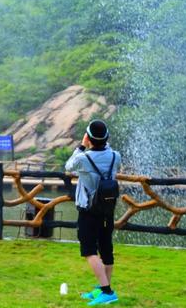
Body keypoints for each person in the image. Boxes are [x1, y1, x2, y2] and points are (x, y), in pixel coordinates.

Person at [65, 119, 121, 306]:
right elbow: (106, 150)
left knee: (89, 250)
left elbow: (68, 166)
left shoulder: (83, 158)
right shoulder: (116, 156)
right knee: (106, 248)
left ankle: (107, 291)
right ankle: (102, 287)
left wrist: (82, 145)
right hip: (107, 209)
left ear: (88, 137)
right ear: (107, 138)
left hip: (89, 211)